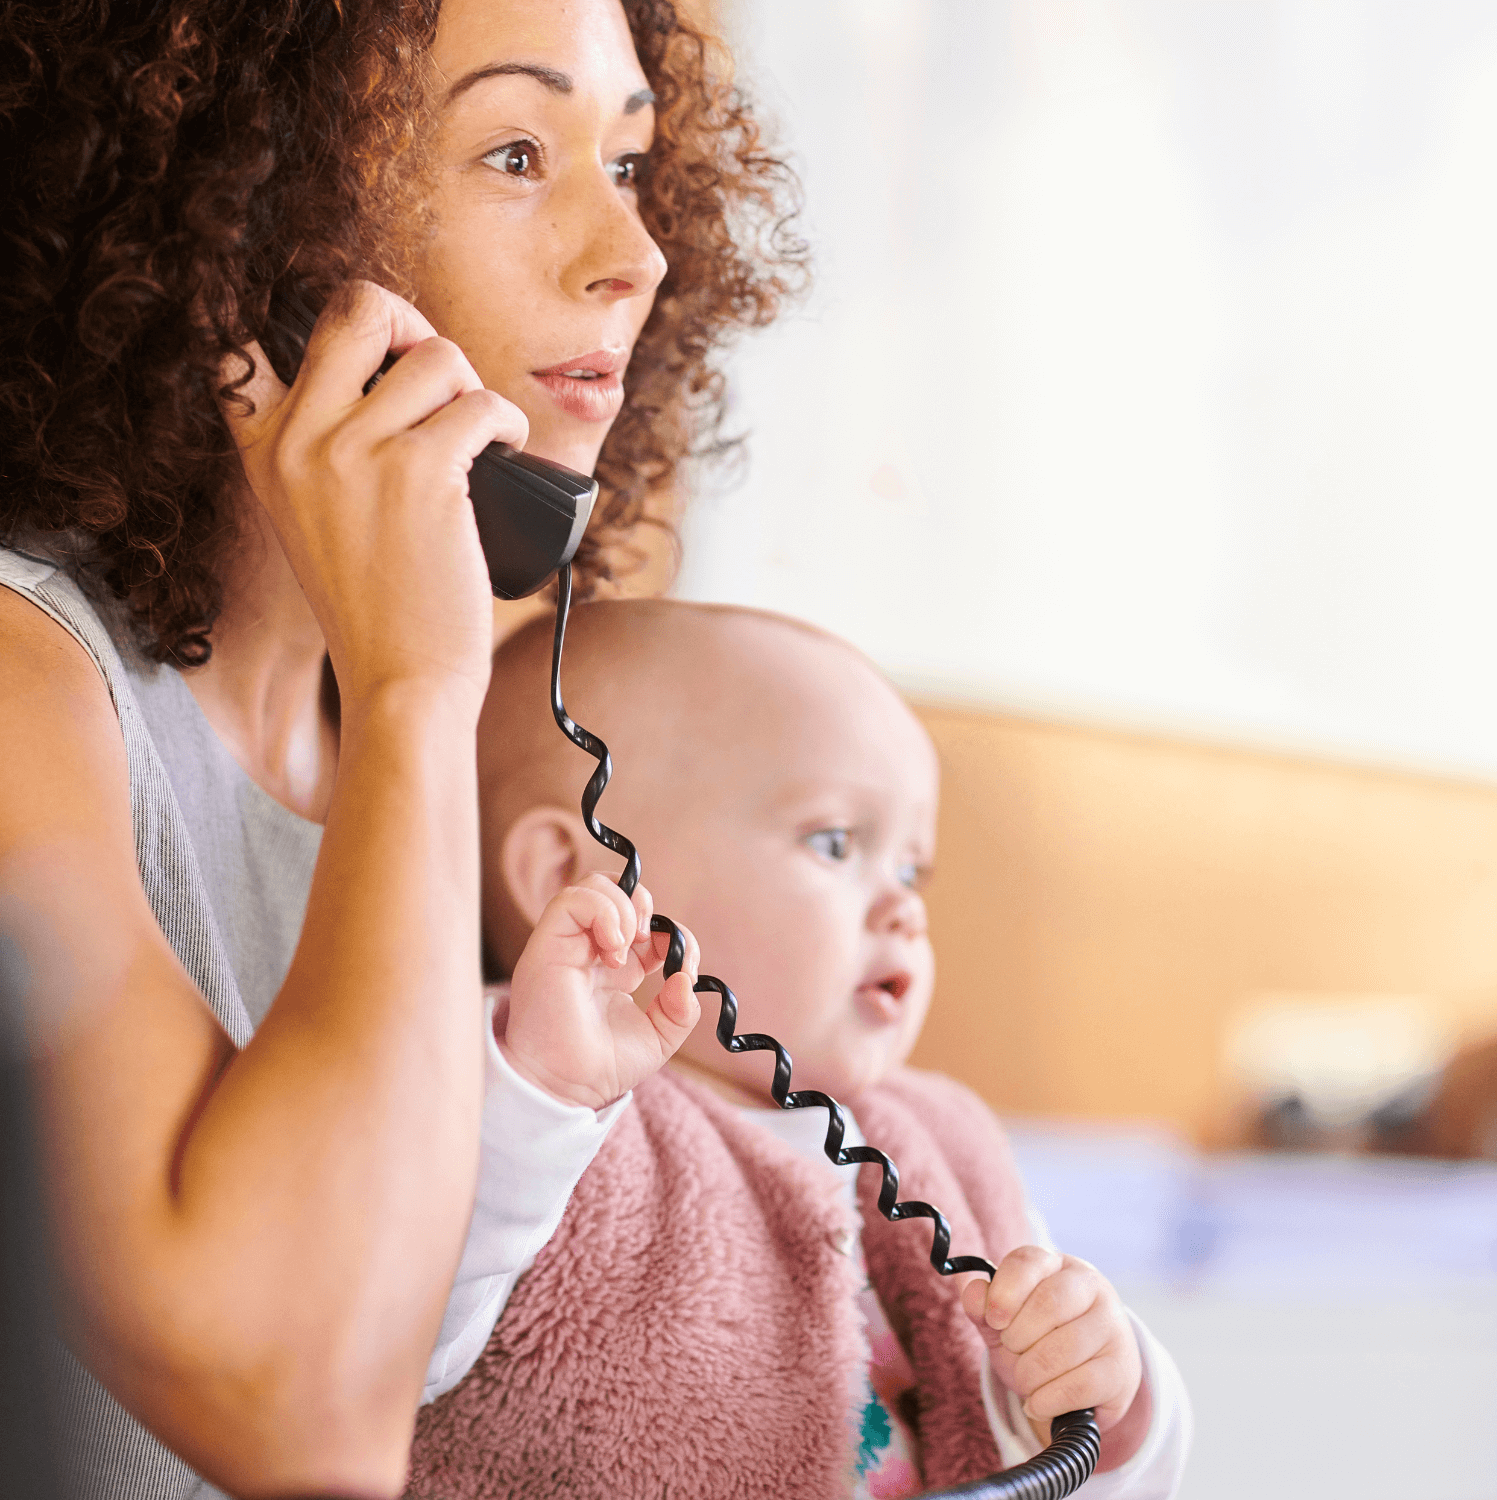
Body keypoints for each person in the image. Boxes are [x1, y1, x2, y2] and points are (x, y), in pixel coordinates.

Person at [0, 1, 800, 1495]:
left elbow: (413, 1331)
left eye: (627, 162)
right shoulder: (22, 689)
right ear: (240, 235)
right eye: (516, 152)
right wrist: (421, 691)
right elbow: (313, 1426)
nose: (637, 255)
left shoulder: (378, 733)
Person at [410, 599, 1191, 1499]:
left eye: (911, 869)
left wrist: (1098, 1394)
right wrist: (540, 1091)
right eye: (835, 842)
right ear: (572, 877)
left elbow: (1116, 1476)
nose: (906, 908)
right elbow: (379, 1339)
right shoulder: (514, 1099)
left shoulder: (940, 1146)